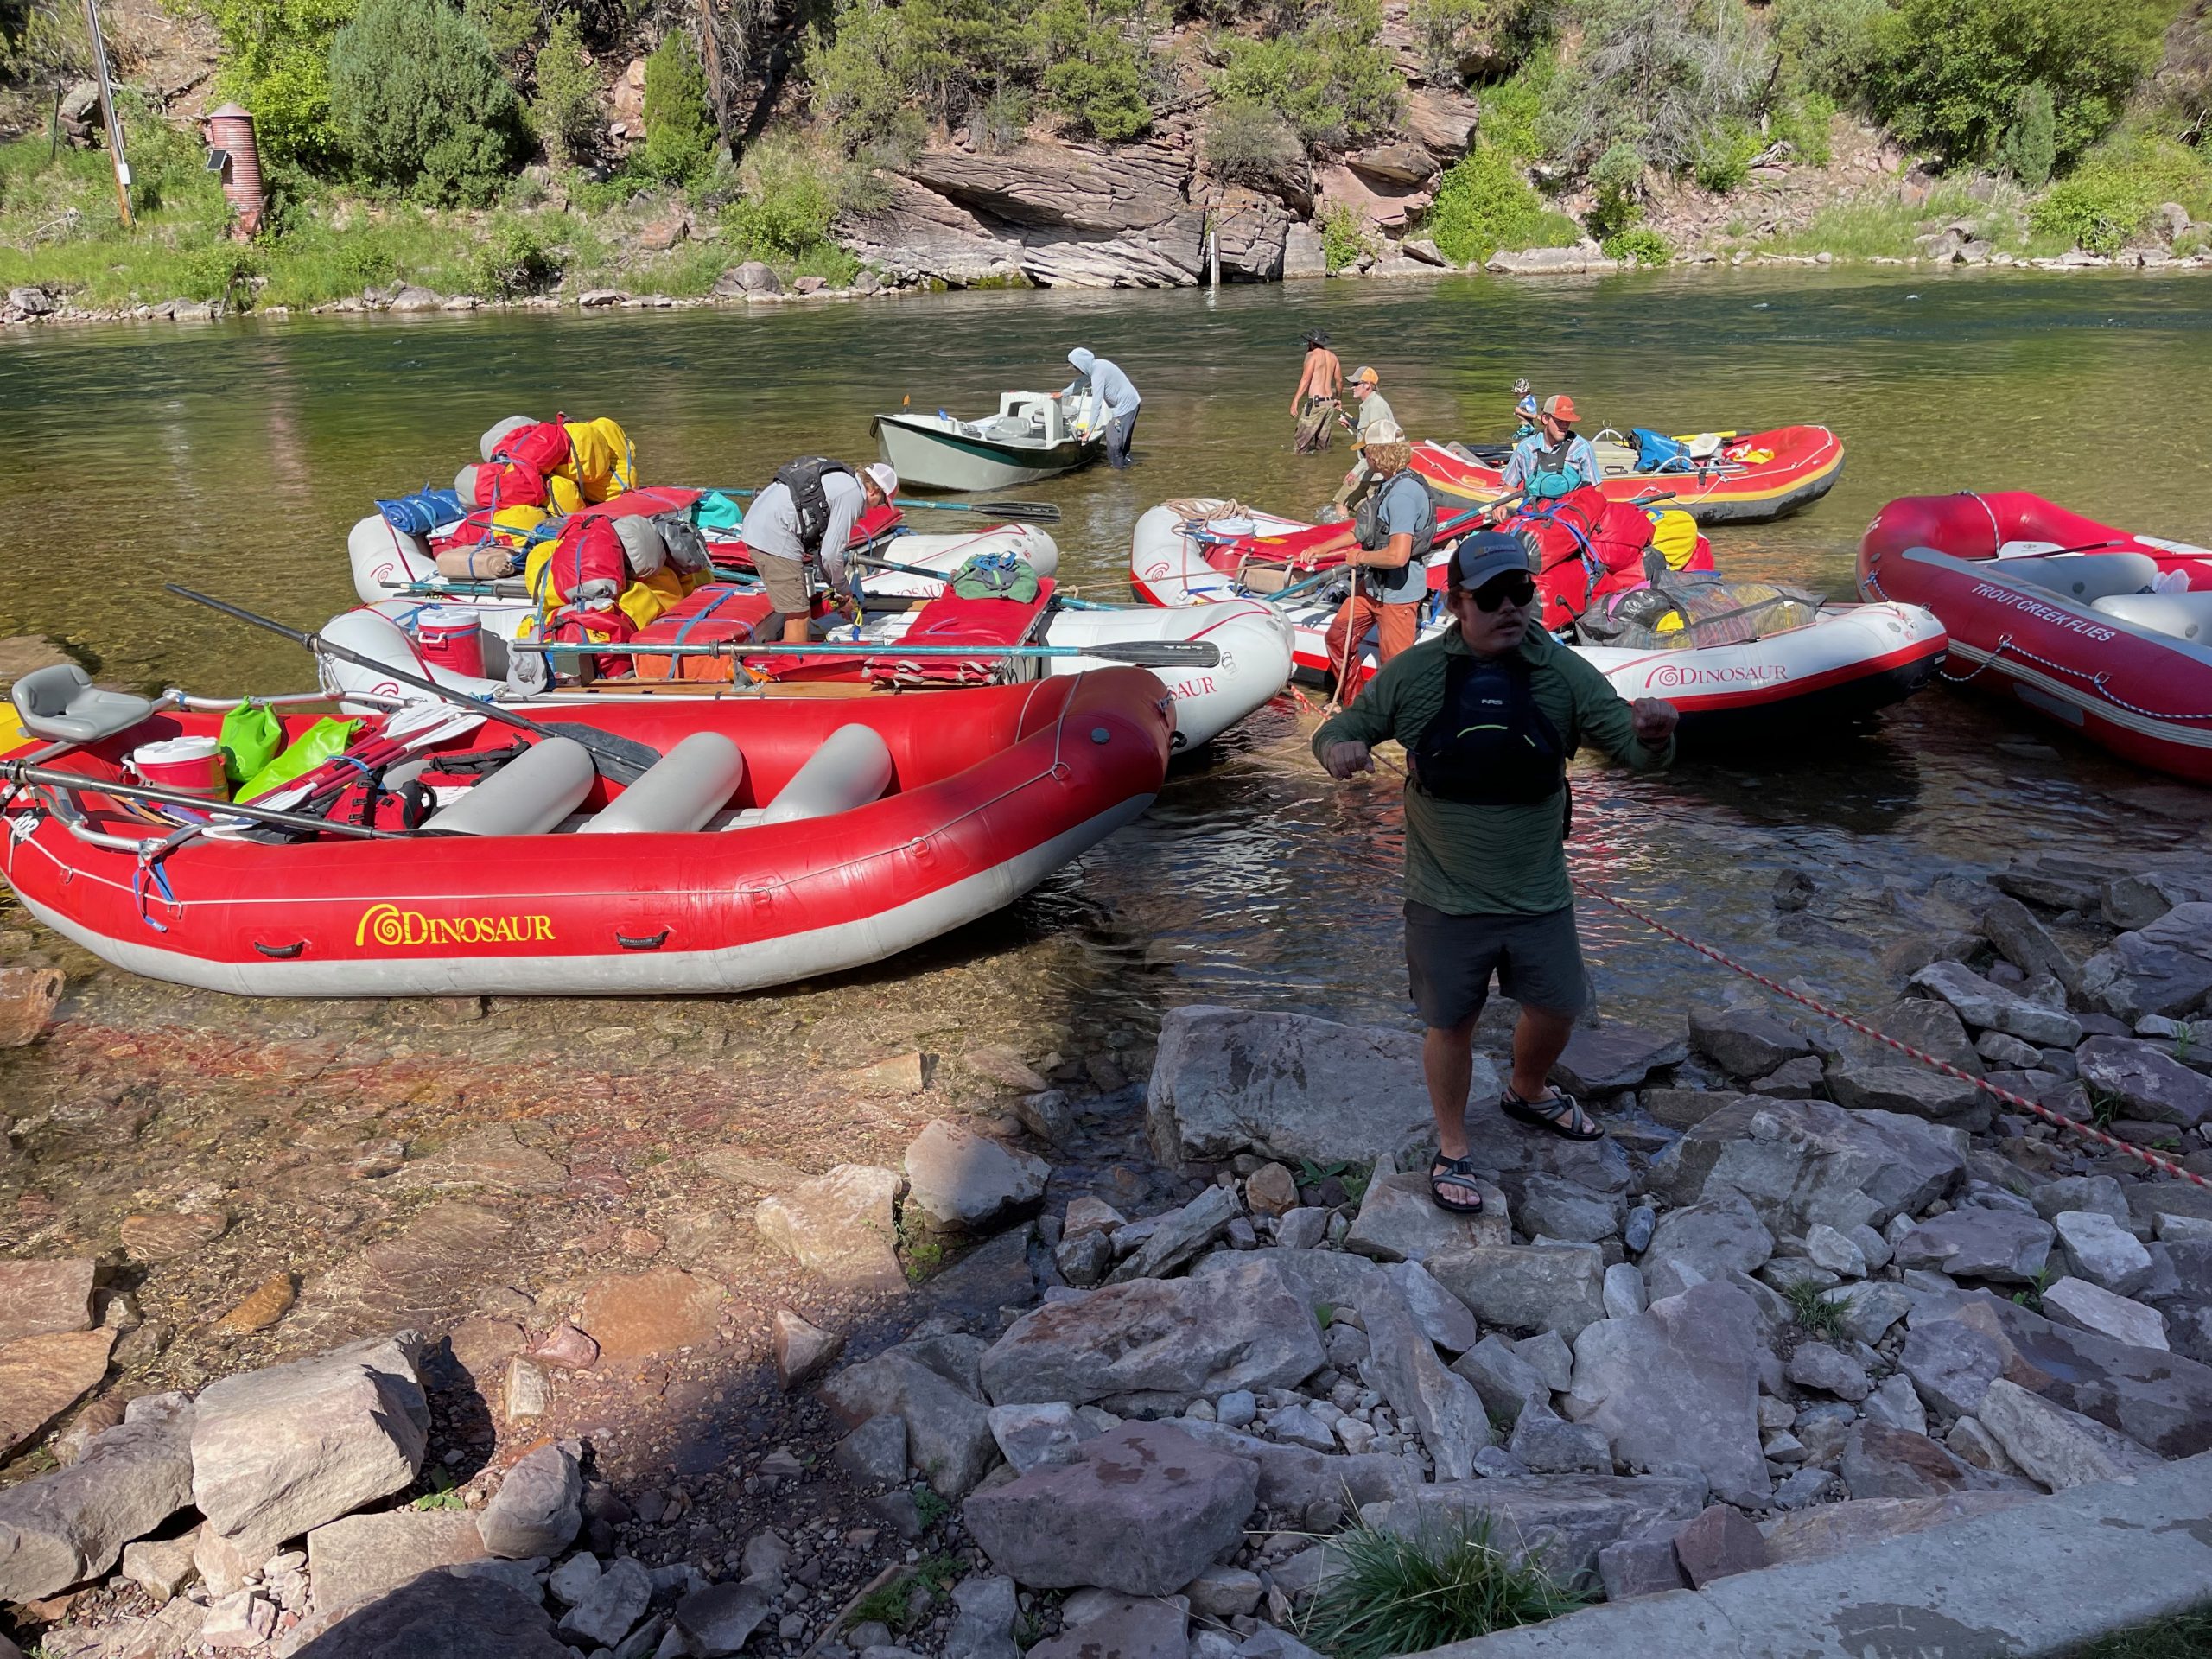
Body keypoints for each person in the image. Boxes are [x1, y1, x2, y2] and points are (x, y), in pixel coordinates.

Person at [1312, 531, 1679, 1214]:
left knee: (1560, 1005)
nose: (1510, 607)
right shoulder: (1415, 674)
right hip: (1443, 895)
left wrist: (1656, 735)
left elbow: (1633, 750)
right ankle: (1453, 1144)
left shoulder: (1564, 673)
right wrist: (1341, 749)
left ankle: (1527, 1090)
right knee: (1452, 1021)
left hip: (1539, 891)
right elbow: (1338, 728)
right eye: (1491, 597)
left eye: (1521, 592)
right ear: (1457, 604)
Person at [1296, 420, 1432, 694]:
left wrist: (1359, 558)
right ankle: (1353, 701)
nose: (1364, 457)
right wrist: (1323, 549)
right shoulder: (1389, 485)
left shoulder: (1403, 495)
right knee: (1338, 637)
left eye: (1365, 451)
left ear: (1377, 454)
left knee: (1395, 671)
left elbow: (1398, 556)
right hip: (1372, 587)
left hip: (1398, 595)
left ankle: (1390, 713)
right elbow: (1361, 530)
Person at [744, 458, 898, 644]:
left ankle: (795, 652)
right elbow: (831, 555)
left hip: (759, 524)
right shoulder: (853, 496)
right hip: (774, 534)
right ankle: (792, 660)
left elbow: (824, 552)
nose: (875, 508)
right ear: (874, 491)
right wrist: (844, 590)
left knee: (798, 610)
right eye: (881, 502)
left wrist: (839, 593)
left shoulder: (843, 479)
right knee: (799, 615)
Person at [1491, 393, 1599, 519]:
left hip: (1568, 517)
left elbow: (1596, 490)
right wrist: (1501, 503)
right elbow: (1510, 484)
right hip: (1533, 515)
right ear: (1545, 419)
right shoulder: (1526, 448)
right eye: (1559, 421)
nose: (1564, 425)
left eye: (1568, 421)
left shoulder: (1582, 448)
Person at [1327, 366, 1398, 512]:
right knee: (1359, 507)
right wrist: (1352, 423)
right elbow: (1369, 429)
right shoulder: (1370, 404)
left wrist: (1356, 471)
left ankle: (1344, 526)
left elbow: (1376, 447)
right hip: (1371, 468)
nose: (1352, 387)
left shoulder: (1376, 406)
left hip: (1377, 470)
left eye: (1356, 384)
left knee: (1342, 502)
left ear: (1367, 385)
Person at [1063, 347, 1141, 468]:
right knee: (1122, 445)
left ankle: (1118, 475)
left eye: (1076, 367)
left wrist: (1089, 431)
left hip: (1126, 408)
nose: (1076, 370)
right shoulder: (1098, 365)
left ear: (1082, 364)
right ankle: (1126, 468)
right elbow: (1081, 381)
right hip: (1132, 403)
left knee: (1113, 444)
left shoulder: (1097, 374)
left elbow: (1096, 404)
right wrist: (1063, 394)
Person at [1292, 330, 1343, 454]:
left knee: (1300, 446)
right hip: (1329, 403)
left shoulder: (1312, 356)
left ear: (1311, 343)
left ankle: (1298, 465)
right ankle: (1322, 465)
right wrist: (1338, 399)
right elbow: (1339, 381)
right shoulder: (1333, 357)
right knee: (1323, 447)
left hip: (1316, 403)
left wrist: (1295, 400)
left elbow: (1305, 379)